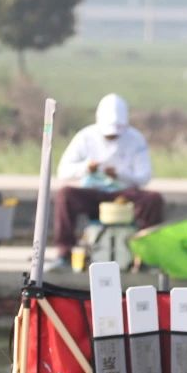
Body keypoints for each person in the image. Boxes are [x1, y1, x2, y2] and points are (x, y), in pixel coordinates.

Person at [50, 93, 164, 269]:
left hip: (123, 196)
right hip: (93, 193)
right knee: (65, 195)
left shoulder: (135, 139)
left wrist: (119, 175)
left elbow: (144, 177)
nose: (112, 137)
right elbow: (63, 171)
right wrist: (86, 168)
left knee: (153, 199)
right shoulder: (85, 137)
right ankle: (64, 254)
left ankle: (147, 256)